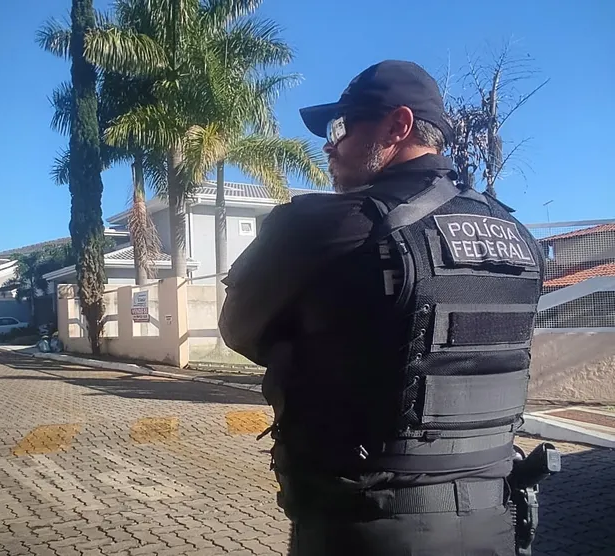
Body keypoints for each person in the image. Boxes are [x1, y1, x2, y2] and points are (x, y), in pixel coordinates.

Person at [219, 60, 545, 555]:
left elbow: (240, 329)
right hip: (495, 523)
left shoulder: (323, 226)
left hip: (369, 526)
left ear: (398, 126)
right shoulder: (517, 235)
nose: (329, 145)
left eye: (341, 127)